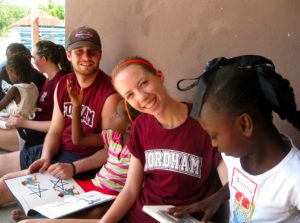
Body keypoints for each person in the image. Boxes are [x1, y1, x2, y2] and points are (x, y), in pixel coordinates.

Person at [167, 55, 300, 222]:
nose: (213, 144)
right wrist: (217, 198)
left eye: (214, 136)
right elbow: (247, 183)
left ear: (244, 125)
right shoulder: (236, 155)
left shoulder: (294, 178)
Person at [0, 26, 120, 208]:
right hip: (55, 151)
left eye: (92, 52)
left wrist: (74, 168)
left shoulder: (110, 94)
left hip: (79, 163)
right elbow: (56, 130)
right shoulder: (65, 83)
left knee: (2, 187)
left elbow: (111, 150)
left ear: (100, 55)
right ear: (69, 54)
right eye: (79, 52)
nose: (86, 57)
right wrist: (46, 156)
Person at [0, 40, 71, 152]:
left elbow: (62, 124)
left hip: (38, 136)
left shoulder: (61, 82)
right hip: (28, 127)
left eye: (34, 57)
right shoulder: (47, 80)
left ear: (44, 59)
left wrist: (25, 123)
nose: (32, 62)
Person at [0, 54, 39, 129]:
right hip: (26, 122)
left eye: (9, 74)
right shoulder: (34, 86)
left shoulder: (15, 89)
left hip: (12, 124)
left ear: (14, 73)